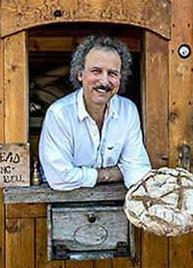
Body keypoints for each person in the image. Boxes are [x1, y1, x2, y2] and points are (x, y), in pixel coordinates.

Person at [39, 35, 151, 191]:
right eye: (96, 71)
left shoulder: (128, 110)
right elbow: (59, 178)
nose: (104, 81)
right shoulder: (59, 114)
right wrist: (108, 174)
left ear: (120, 78)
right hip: (64, 204)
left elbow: (137, 168)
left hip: (115, 205)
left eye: (112, 73)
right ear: (80, 74)